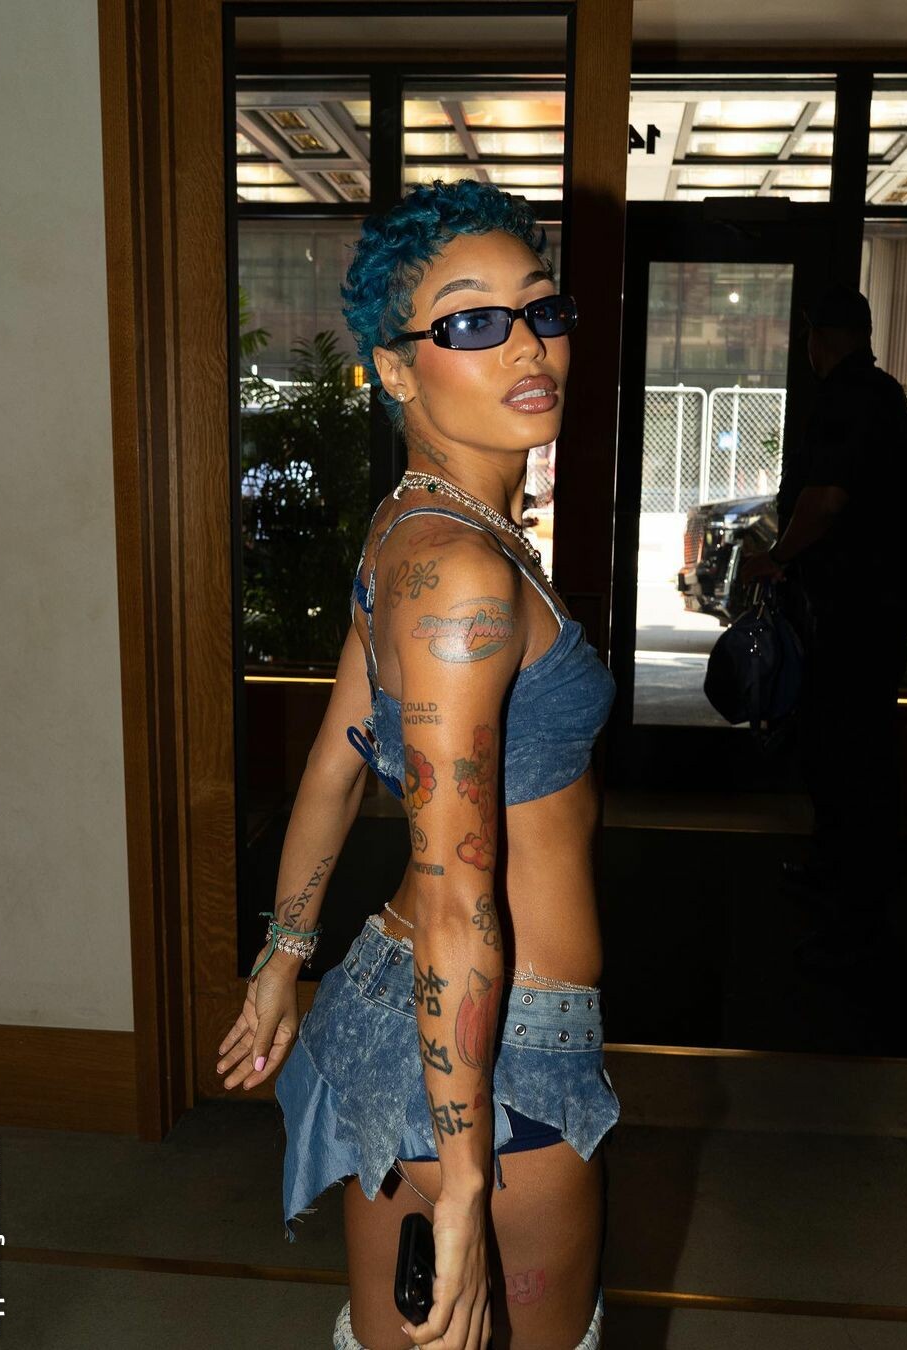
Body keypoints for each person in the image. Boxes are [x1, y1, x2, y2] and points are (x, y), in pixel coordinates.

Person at [215, 179, 619, 1350]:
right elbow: (454, 898)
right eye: (472, 321)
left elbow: (336, 768)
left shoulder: (418, 527)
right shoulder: (460, 578)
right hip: (492, 1061)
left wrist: (284, 954)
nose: (528, 345)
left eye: (542, 309)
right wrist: (464, 1183)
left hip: (424, 1017)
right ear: (396, 369)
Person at [742, 285, 907, 965]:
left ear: (821, 337)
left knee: (850, 755)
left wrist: (778, 556)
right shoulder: (883, 396)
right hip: (871, 606)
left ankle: (855, 916)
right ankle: (839, 878)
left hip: (855, 611)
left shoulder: (851, 399)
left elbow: (826, 500)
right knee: (847, 746)